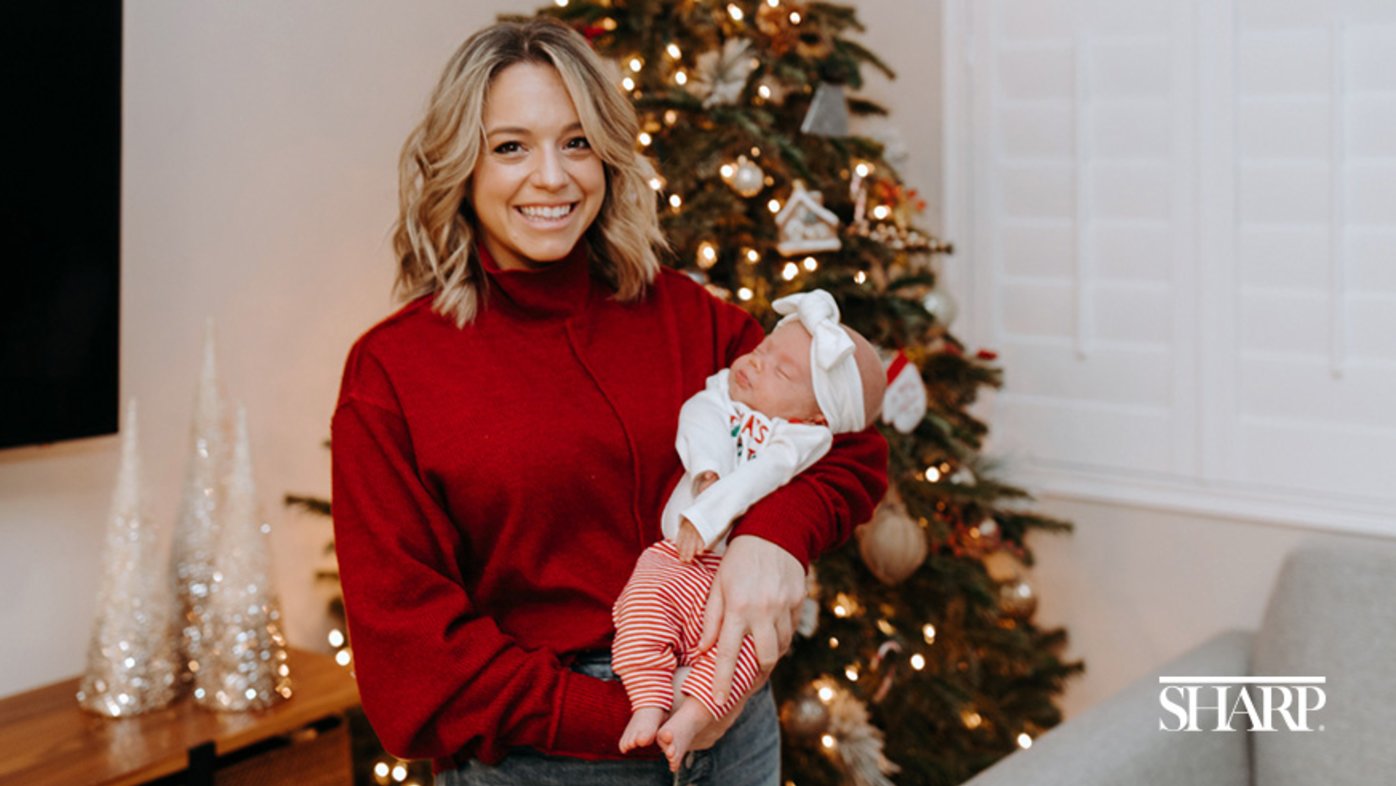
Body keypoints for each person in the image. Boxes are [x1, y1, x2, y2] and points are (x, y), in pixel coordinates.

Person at [330, 18, 887, 786]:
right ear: (460, 164)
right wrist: (619, 717)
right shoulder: (391, 372)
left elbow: (852, 436)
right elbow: (412, 660)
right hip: (547, 759)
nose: (553, 178)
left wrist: (775, 537)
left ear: (609, 155)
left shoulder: (685, 316)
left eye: (578, 141)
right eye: (511, 146)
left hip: (735, 730)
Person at [612, 290, 887, 771]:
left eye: (782, 372)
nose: (756, 364)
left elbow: (854, 459)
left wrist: (774, 532)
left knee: (738, 660)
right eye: (762, 350)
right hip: (674, 559)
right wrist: (710, 472)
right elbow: (697, 419)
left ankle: (694, 714)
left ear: (817, 416)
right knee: (638, 612)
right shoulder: (721, 393)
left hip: (733, 587)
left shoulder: (803, 440)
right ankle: (650, 702)